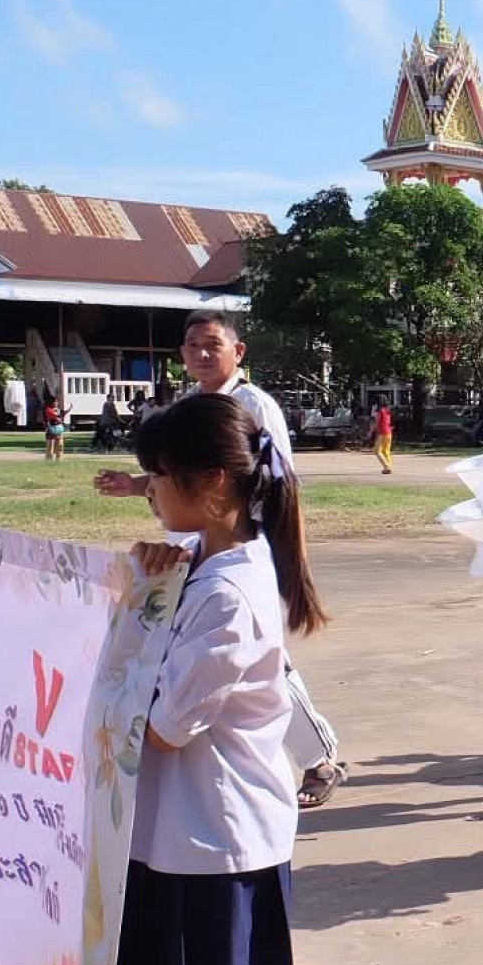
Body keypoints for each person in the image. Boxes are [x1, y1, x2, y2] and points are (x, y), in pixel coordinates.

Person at [26, 392, 324, 965]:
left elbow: (159, 723)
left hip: (214, 842)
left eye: (159, 477)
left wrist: (132, 617)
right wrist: (150, 580)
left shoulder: (235, 595)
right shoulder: (199, 560)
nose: (150, 492)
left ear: (210, 482)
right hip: (154, 835)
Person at [94, 310, 340, 806]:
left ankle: (320, 758)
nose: (202, 355)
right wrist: (140, 486)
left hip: (250, 539)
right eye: (191, 347)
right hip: (212, 542)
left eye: (212, 345)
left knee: (268, 663)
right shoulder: (191, 406)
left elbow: (274, 479)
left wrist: (285, 552)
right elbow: (191, 475)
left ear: (238, 353)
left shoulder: (252, 405)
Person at [371, 402, 396, 475]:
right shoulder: (388, 410)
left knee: (377, 451)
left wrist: (371, 430)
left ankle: (387, 466)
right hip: (388, 432)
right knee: (386, 451)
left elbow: (376, 422)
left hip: (381, 433)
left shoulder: (380, 411)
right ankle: (387, 468)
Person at [44, 396, 67, 461]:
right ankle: (48, 460)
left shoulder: (58, 409)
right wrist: (60, 415)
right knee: (50, 447)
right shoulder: (48, 409)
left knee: (60, 446)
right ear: (51, 402)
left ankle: (59, 460)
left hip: (59, 429)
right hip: (51, 430)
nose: (56, 403)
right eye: (55, 401)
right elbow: (54, 415)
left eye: (57, 401)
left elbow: (61, 416)